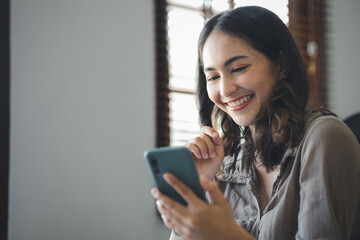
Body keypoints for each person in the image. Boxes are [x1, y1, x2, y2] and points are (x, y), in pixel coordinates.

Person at [151, 6, 360, 240]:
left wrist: (227, 234)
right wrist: (198, 187)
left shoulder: (325, 138)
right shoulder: (228, 162)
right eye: (213, 77)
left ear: (281, 66)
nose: (225, 89)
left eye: (238, 68)